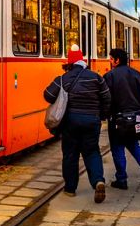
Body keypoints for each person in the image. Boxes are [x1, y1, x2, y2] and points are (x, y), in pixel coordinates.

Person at [43, 44, 111, 203]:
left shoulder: (62, 79)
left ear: (69, 63)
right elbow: (107, 98)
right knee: (92, 152)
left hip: (70, 122)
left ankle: (70, 189)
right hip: (92, 121)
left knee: (70, 154)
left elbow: (48, 96)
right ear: (82, 61)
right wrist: (101, 116)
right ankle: (98, 181)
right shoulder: (96, 77)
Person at [103, 48, 140, 191]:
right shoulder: (137, 75)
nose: (110, 61)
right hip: (135, 116)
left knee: (117, 148)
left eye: (111, 58)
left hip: (118, 117)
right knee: (133, 144)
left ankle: (121, 179)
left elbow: (106, 99)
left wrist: (105, 114)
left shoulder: (109, 76)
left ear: (117, 60)